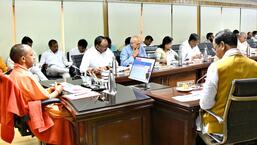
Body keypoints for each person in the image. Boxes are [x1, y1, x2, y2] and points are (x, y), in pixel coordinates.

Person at [9, 44, 74, 145]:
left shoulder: (15, 72)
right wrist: (58, 90)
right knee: (69, 114)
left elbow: (36, 93)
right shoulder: (25, 76)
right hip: (36, 113)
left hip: (29, 111)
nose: (34, 57)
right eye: (31, 55)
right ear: (23, 59)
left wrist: (50, 89)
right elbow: (45, 97)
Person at [198, 30, 257, 135]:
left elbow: (205, 104)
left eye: (215, 48)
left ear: (222, 45)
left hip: (221, 128)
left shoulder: (217, 67)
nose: (215, 52)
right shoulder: (254, 65)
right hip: (250, 127)